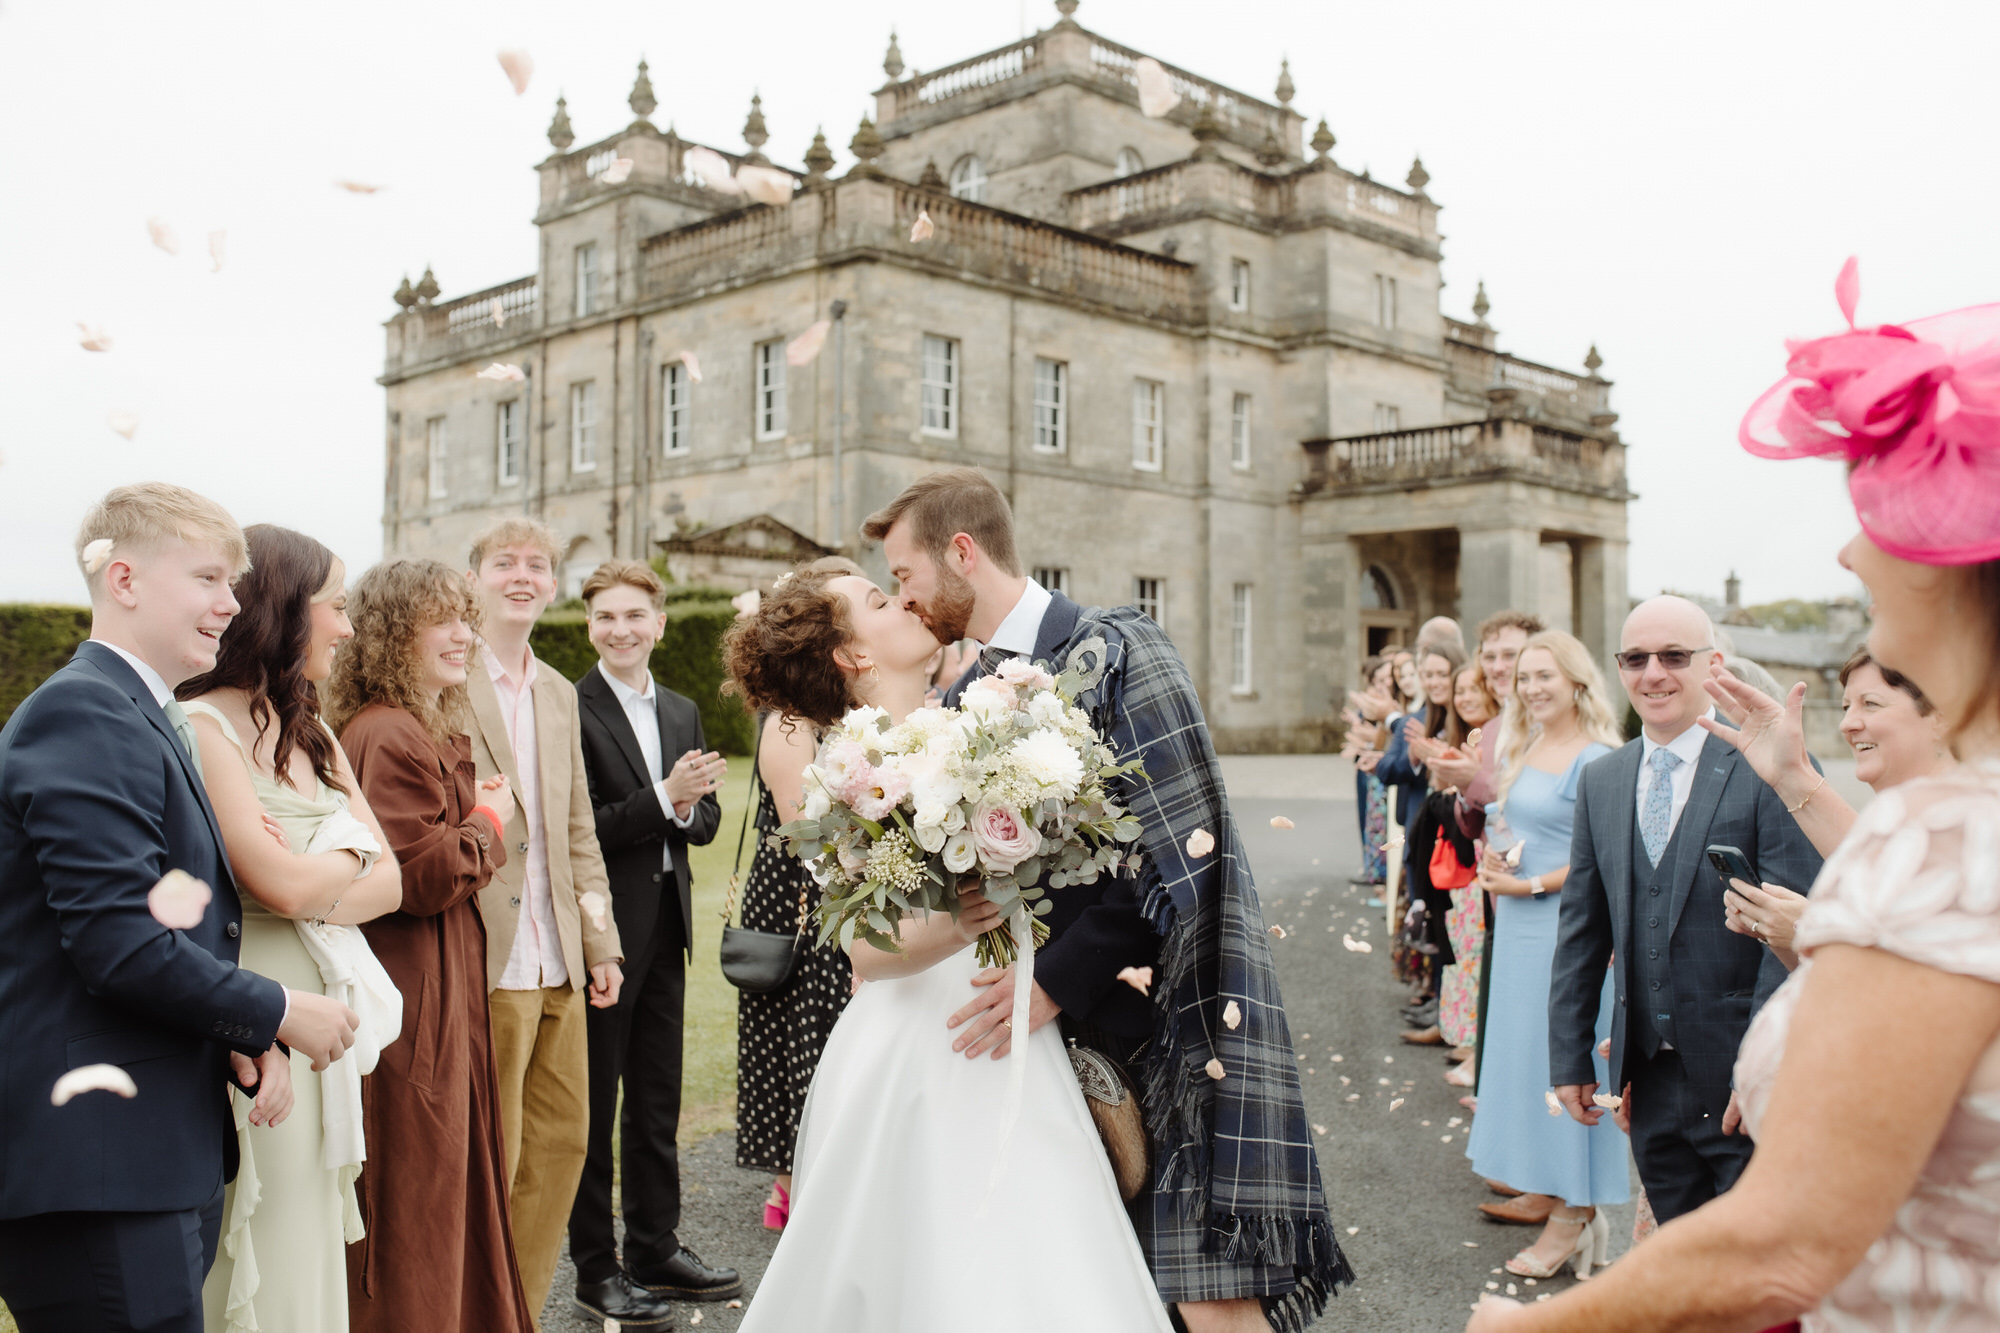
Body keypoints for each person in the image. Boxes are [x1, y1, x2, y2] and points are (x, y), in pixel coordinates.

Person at [1468, 260, 2000, 1333]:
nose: (1848, 547)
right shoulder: (1946, 818)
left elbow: (1784, 1244)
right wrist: (1800, 779)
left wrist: (1528, 1325)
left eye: (1874, 517)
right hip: (1655, 1081)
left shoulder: (1941, 828)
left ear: (1950, 564)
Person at [876, 468, 1349, 1333]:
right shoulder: (962, 696)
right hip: (1052, 1053)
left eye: (905, 575)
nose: (901, 599)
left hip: (1171, 1024)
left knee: (1211, 1297)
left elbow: (1181, 846)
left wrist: (1055, 978)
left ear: (962, 553)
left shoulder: (1119, 646)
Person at [723, 561, 1177, 1333]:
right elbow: (867, 954)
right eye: (876, 600)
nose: (900, 599)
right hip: (923, 1036)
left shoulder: (972, 723)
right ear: (852, 655)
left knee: (1035, 1236)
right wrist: (970, 919)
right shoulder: (845, 773)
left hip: (1004, 1014)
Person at [0, 484, 358, 1333]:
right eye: (208, 577)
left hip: (152, 1148)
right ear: (123, 578)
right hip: (97, 1165)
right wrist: (277, 1007)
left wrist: (241, 1035)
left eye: (233, 583)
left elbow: (168, 926)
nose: (230, 604)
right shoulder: (84, 713)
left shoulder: (144, 713)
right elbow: (119, 943)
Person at [179, 526, 405, 1333]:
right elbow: (270, 879)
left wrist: (313, 873)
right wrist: (340, 859)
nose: (346, 626)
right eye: (335, 606)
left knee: (310, 1227)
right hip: (258, 1010)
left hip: (328, 1023)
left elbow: (393, 881)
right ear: (281, 609)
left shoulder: (312, 730)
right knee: (259, 1233)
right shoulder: (203, 728)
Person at [1543, 594, 1825, 1225]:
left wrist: (1761, 1069)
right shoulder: (1604, 780)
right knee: (1681, 1268)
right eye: (1636, 658)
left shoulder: (1769, 771)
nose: (1653, 673)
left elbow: (1797, 938)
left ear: (1713, 664)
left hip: (1741, 1078)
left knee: (1757, 1270)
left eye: (1673, 655)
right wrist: (1570, 1057)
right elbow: (1583, 931)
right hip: (1649, 1081)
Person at [326, 559, 536, 1333]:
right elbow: (414, 877)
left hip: (442, 996)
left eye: (465, 618)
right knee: (416, 1192)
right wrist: (486, 820)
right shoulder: (386, 730)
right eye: (440, 618)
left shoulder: (418, 722)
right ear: (390, 633)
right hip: (411, 1006)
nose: (462, 634)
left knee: (450, 1185)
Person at [458, 520, 629, 1325]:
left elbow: (577, 832)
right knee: (494, 1155)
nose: (522, 576)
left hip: (560, 953)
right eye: (505, 563)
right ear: (475, 578)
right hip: (484, 954)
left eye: (537, 565)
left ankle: (516, 1312)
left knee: (562, 1147)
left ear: (554, 584)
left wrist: (601, 940)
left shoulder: (560, 690)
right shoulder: (445, 680)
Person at [569, 559, 736, 1325]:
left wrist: (688, 803)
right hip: (602, 934)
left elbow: (701, 823)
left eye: (634, 614)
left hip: (669, 929)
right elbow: (586, 830)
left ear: (660, 623)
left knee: (656, 1103)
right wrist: (665, 796)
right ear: (590, 625)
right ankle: (595, 1268)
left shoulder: (682, 708)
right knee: (596, 1102)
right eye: (606, 616)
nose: (621, 628)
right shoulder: (571, 708)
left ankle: (655, 1247)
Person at [1461, 633, 1628, 1276]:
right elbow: (1516, 829)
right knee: (1528, 1060)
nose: (1530, 688)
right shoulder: (1525, 744)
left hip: (1570, 928)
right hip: (1522, 928)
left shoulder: (1601, 757)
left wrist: (1527, 883)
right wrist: (1497, 858)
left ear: (1578, 682)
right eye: (1524, 677)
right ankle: (1551, 1185)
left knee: (1571, 1060)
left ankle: (1576, 1211)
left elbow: (1600, 860)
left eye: (1544, 676)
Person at [725, 557, 862, 1234]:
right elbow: (810, 838)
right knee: (804, 1040)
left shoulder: (855, 705)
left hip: (841, 904)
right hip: (803, 907)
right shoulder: (790, 721)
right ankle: (797, 1179)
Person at [1703, 648, 1947, 974]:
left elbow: (1929, 967)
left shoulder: (1975, 819)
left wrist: (1810, 929)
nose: (1847, 723)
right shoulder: (1889, 824)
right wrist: (1786, 936)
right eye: (1846, 707)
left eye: (1870, 703)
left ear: (1942, 717)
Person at [1438, 663, 1499, 1060]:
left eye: (1474, 688)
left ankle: (1477, 1047)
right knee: (1464, 951)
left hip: (1488, 864)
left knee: (1478, 952)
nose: (1464, 697)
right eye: (1458, 690)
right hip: (1466, 864)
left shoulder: (1496, 740)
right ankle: (1466, 1037)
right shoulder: (1468, 739)